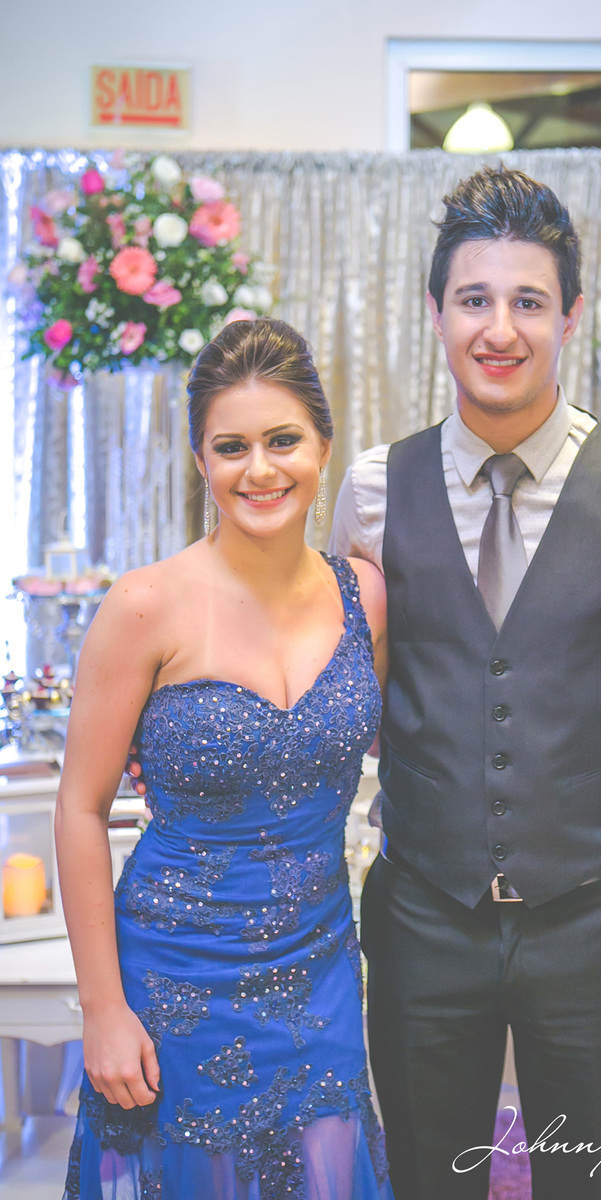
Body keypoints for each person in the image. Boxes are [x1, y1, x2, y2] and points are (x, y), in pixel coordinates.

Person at [328, 166, 601, 1200]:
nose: (499, 328)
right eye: (474, 299)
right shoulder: (373, 490)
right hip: (421, 918)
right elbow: (344, 700)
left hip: (592, 924)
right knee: (427, 1181)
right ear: (435, 313)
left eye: (527, 301)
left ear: (569, 316)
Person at [55, 318, 393, 1200]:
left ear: (324, 446)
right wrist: (104, 1008)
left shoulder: (365, 596)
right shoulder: (144, 606)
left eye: (283, 440)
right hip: (173, 980)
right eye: (231, 447)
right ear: (201, 461)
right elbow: (80, 809)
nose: (260, 469)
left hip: (320, 967)